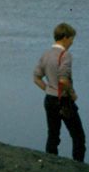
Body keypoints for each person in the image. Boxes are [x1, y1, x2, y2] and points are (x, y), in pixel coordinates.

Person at [32, 22, 85, 162]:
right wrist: (72, 93)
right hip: (63, 100)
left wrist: (48, 89)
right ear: (65, 38)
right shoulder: (65, 55)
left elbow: (36, 77)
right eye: (72, 39)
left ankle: (50, 163)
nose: (72, 42)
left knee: (53, 134)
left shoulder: (46, 54)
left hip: (49, 99)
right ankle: (79, 166)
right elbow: (63, 80)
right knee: (78, 136)